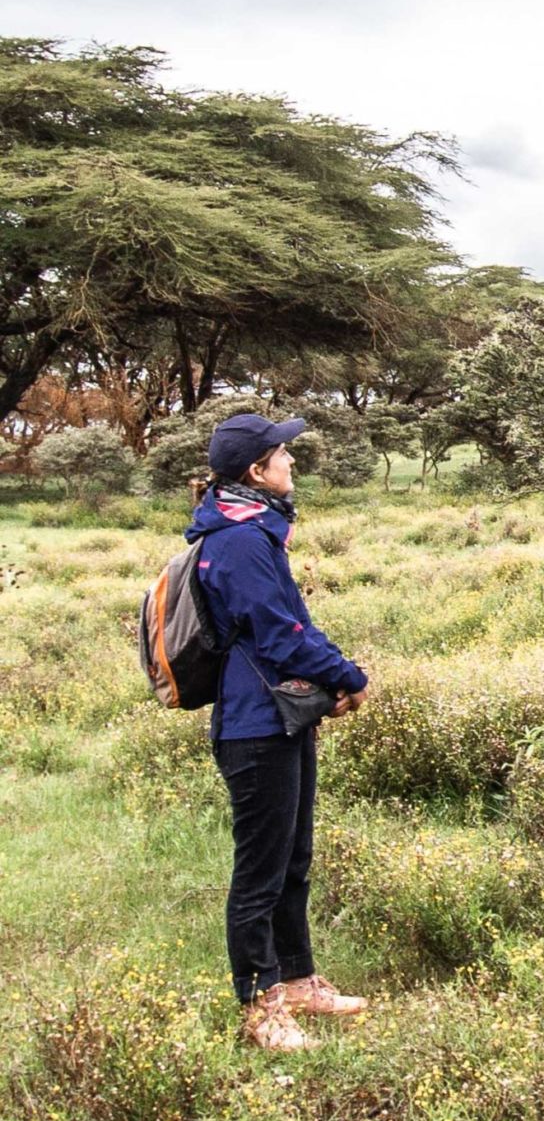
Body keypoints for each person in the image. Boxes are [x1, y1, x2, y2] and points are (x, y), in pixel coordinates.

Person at [188, 412, 372, 1051]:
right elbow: (280, 636)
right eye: (282, 454)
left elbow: (294, 625)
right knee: (260, 870)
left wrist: (335, 676)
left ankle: (297, 981)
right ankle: (260, 1004)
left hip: (281, 716)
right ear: (255, 471)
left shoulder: (255, 530)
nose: (291, 461)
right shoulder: (238, 541)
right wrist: (349, 677)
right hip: (255, 726)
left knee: (293, 858)